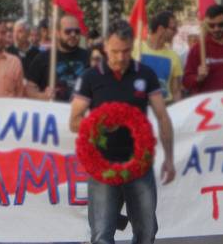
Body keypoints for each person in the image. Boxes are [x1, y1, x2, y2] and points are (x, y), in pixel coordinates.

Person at [69, 20, 175, 244]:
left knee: (147, 232)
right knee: (101, 234)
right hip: (103, 167)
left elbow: (162, 116)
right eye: (115, 51)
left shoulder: (145, 74)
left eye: (126, 51)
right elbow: (74, 121)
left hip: (139, 165)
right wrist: (99, 125)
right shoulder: (91, 76)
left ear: (132, 46)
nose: (120, 57)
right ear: (106, 46)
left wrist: (169, 158)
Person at [183, 4, 223, 95]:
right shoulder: (198, 49)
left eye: (220, 25)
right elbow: (186, 82)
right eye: (211, 25)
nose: (216, 29)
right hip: (208, 106)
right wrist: (198, 78)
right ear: (206, 24)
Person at [26, 14, 89, 101]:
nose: (73, 34)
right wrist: (43, 96)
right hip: (54, 111)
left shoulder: (88, 57)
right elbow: (29, 88)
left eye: (77, 31)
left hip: (81, 112)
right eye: (68, 31)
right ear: (58, 33)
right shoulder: (42, 58)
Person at [140, 11, 183, 103]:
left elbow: (176, 91)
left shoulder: (174, 57)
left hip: (165, 108)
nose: (176, 32)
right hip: (140, 107)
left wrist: (179, 111)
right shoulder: (136, 48)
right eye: (173, 28)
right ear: (160, 29)